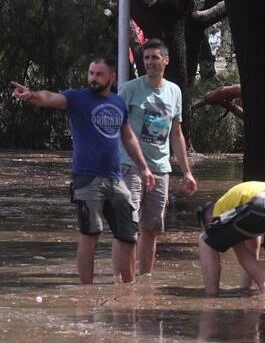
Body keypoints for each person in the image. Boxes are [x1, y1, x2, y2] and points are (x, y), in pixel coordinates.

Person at [11, 56, 156, 284]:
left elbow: (128, 137)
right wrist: (32, 95)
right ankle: (86, 292)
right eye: (91, 73)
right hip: (87, 178)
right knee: (90, 233)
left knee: (128, 233)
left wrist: (144, 168)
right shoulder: (77, 98)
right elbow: (51, 98)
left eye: (99, 74)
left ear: (112, 77)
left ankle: (128, 288)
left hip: (116, 179)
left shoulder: (118, 103)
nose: (93, 78)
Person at [117, 39, 198, 277]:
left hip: (161, 169)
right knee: (128, 226)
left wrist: (187, 172)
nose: (150, 62)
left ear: (166, 60)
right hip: (130, 166)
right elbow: (115, 125)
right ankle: (124, 281)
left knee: (151, 228)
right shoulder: (130, 89)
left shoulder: (174, 91)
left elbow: (176, 133)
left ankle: (145, 281)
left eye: (154, 57)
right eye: (146, 58)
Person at [198, 181, 265, 296]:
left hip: (262, 204)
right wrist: (244, 288)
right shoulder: (236, 203)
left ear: (207, 218)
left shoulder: (218, 210)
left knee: (205, 241)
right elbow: (253, 247)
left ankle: (211, 295)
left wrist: (262, 285)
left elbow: (241, 250)